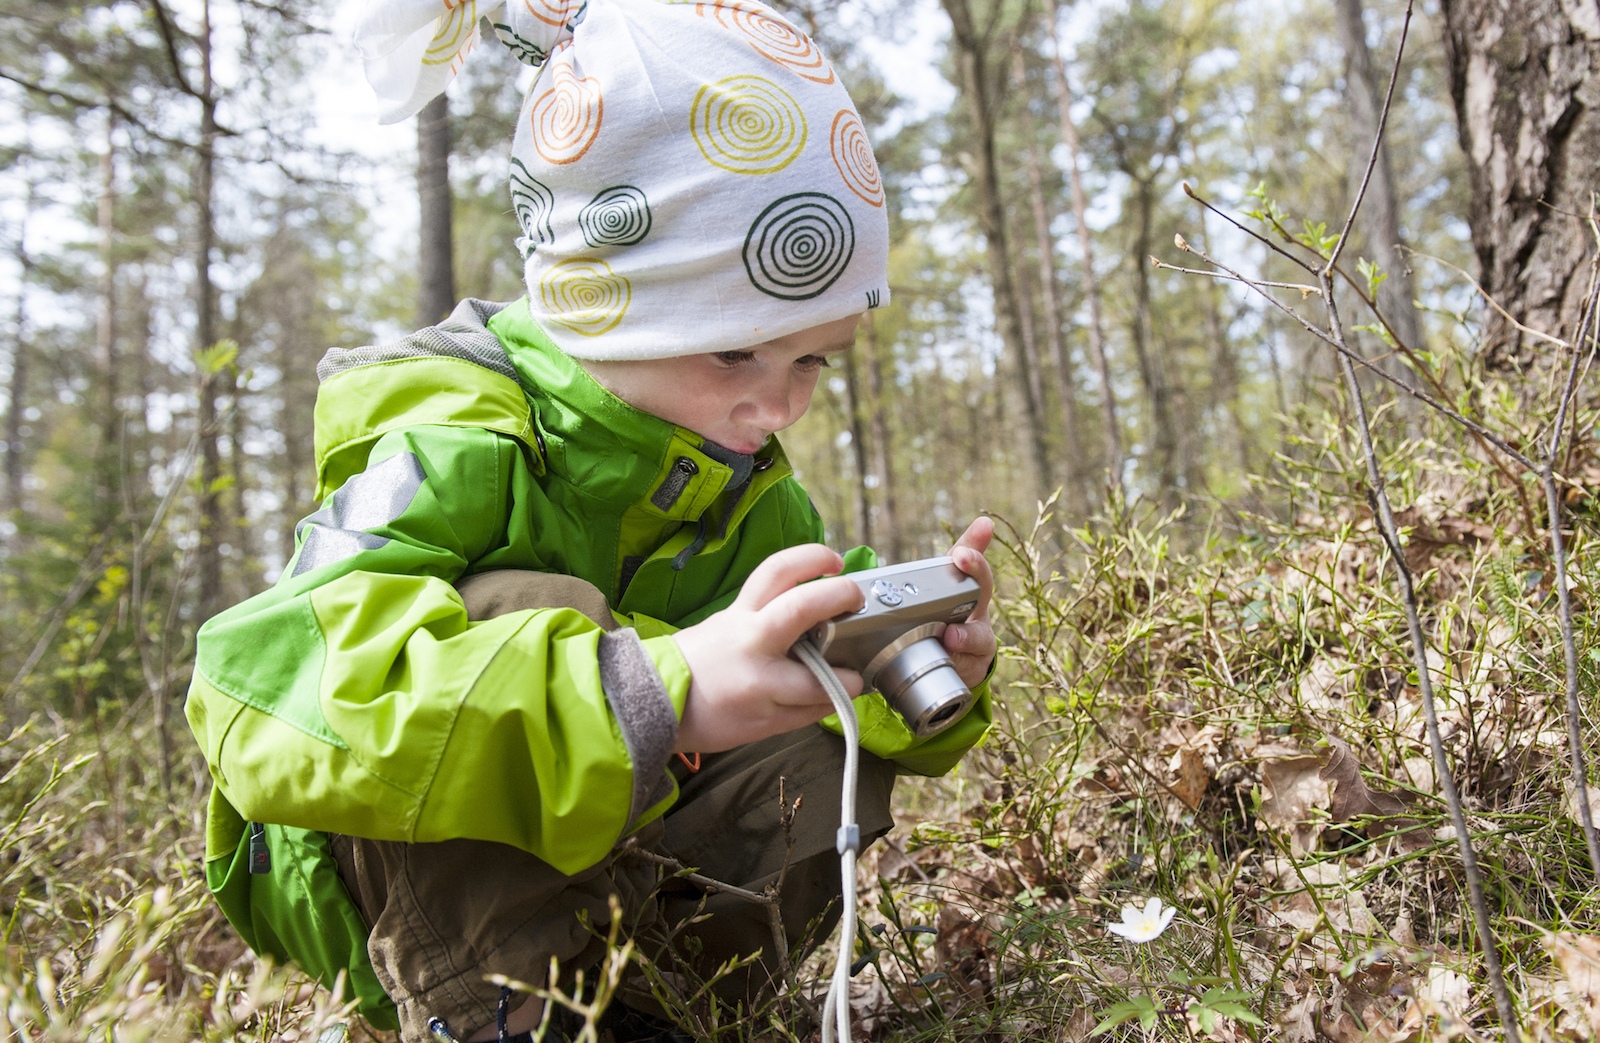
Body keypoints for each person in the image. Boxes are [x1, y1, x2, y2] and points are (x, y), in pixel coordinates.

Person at [184, 0, 997, 1040]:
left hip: (625, 897)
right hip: (377, 879)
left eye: (811, 359)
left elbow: (814, 701)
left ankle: (664, 1012)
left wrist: (899, 666)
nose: (780, 405)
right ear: (598, 309)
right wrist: (660, 690)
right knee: (528, 606)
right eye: (734, 352)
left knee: (805, 685)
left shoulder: (744, 488)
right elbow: (270, 696)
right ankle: (511, 1014)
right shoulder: (457, 440)